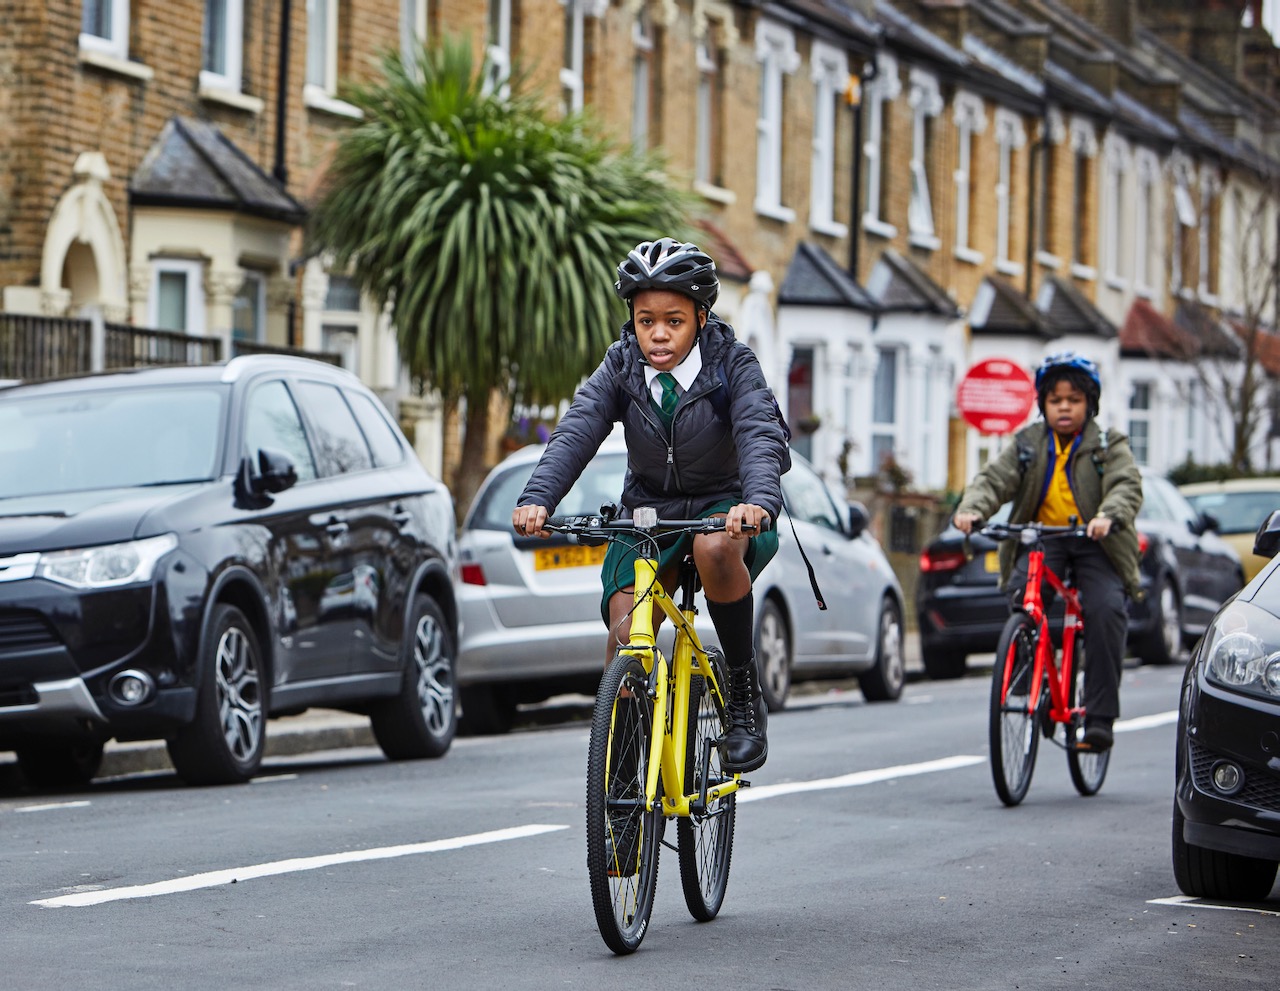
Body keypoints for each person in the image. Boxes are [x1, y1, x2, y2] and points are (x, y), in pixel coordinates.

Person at [511, 237, 791, 774]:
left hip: (726, 505)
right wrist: (538, 498)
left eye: (674, 320)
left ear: (701, 318)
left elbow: (758, 432)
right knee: (625, 637)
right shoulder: (620, 366)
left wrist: (756, 501)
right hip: (649, 512)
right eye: (645, 320)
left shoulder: (734, 364)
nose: (658, 334)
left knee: (714, 548)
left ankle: (740, 694)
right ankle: (624, 777)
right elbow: (578, 428)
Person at [952, 351, 1143, 752]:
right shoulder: (1027, 444)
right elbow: (994, 479)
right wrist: (972, 508)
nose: (1064, 409)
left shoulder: (1108, 444)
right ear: (1044, 405)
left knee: (1106, 609)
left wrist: (1109, 514)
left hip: (1095, 541)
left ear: (1089, 404)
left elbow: (1127, 484)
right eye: (1056, 401)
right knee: (1023, 594)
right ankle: (1035, 670)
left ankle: (1099, 717)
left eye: (1073, 401)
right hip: (1045, 538)